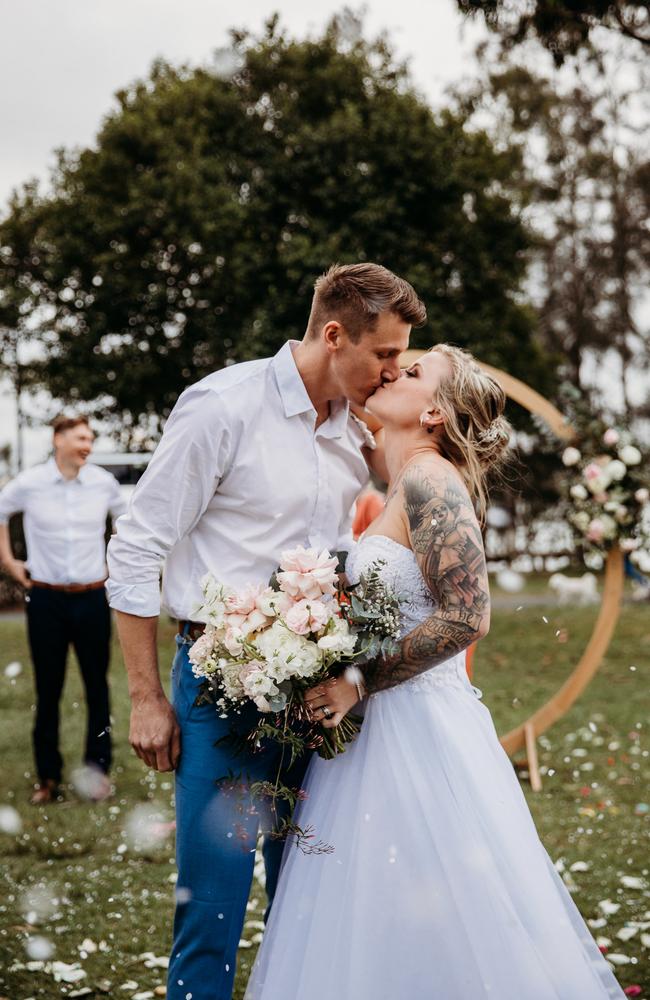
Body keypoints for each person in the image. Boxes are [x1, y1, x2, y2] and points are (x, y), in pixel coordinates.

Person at [245, 346, 626, 1000]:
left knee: (436, 900)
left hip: (417, 730)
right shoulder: (406, 479)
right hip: (376, 733)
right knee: (380, 906)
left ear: (433, 414)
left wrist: (356, 679)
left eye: (413, 371)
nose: (394, 371)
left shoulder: (431, 481)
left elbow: (468, 617)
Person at [105, 263, 428, 1000]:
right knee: (211, 910)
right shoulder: (223, 406)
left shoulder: (357, 426)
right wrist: (146, 696)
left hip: (316, 697)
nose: (393, 369)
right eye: (384, 353)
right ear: (334, 333)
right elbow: (136, 548)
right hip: (218, 684)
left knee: (308, 903)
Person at [0, 415, 126, 805]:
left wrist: (115, 562)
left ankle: (98, 772)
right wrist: (9, 562)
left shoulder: (103, 483)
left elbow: (128, 521)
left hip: (91, 598)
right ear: (58, 440)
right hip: (46, 600)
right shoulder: (29, 483)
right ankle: (48, 779)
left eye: (90, 438)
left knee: (97, 688)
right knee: (49, 688)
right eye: (80, 438)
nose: (87, 445)